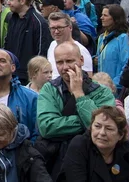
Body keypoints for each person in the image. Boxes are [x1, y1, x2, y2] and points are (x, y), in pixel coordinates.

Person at [36, 41, 117, 176]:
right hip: (56, 162)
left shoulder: (102, 92)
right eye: (59, 62)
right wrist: (84, 122)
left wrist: (79, 94)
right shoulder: (49, 89)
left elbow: (102, 128)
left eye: (69, 61)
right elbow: (47, 126)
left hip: (92, 161)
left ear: (81, 60)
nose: (65, 67)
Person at [62, 106, 129, 182]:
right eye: (97, 126)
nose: (102, 133)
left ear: (120, 135)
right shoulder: (79, 145)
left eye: (109, 129)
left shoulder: (125, 147)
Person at [2, 0, 50, 83]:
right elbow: (7, 45)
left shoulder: (39, 23)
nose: (8, 3)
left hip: (28, 77)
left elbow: (41, 53)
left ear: (22, 1)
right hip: (12, 75)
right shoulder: (12, 19)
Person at [46, 12, 93, 78]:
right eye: (53, 28)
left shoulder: (81, 50)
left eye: (60, 27)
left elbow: (88, 78)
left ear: (70, 27)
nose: (56, 31)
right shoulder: (52, 45)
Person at [97, 4, 129, 88]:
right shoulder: (101, 37)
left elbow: (126, 64)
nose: (101, 18)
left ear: (115, 19)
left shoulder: (124, 38)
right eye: (102, 15)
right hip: (102, 87)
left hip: (116, 88)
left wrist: (114, 84)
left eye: (105, 15)